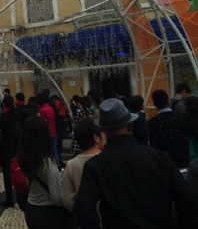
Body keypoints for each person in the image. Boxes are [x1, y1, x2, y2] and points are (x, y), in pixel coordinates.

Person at [74, 98, 196, 228]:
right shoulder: (159, 158)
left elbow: (84, 211)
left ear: (103, 130)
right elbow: (186, 199)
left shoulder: (96, 166)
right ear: (130, 125)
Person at [16, 115, 71, 228]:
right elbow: (56, 197)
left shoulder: (23, 157)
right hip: (48, 213)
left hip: (31, 208)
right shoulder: (48, 162)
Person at [62, 117, 103, 213]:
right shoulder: (108, 159)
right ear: (96, 138)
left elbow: (67, 201)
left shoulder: (71, 164)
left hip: (84, 218)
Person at [147, 89, 191, 168]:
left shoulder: (152, 123)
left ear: (154, 104)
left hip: (165, 165)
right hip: (185, 160)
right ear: (169, 102)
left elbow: (154, 147)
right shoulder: (183, 117)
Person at [0, 94, 17, 207]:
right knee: (20, 172)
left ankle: (9, 199)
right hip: (18, 148)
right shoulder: (18, 115)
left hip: (5, 149)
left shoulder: (1, 117)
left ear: (4, 104)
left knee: (7, 175)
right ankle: (21, 195)